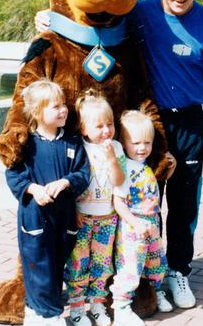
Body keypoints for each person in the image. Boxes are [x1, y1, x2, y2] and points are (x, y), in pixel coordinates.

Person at [34, 0, 203, 310]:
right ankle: (142, 273)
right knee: (144, 201)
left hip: (190, 121)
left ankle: (177, 271)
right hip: (148, 125)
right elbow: (96, 18)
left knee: (185, 201)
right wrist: (50, 19)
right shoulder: (140, 12)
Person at [5, 79, 90, 326]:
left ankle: (35, 310)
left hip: (63, 216)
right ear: (37, 112)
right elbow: (13, 174)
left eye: (64, 104)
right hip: (35, 216)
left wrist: (65, 182)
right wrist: (32, 189)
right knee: (39, 265)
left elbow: (83, 173)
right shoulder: (26, 143)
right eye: (55, 106)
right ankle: (50, 315)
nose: (63, 109)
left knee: (57, 263)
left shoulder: (72, 141)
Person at [67, 90, 126, 326]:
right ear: (83, 128)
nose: (106, 131)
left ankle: (97, 303)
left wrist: (112, 158)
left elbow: (119, 180)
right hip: (82, 217)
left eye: (109, 124)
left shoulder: (117, 148)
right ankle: (77, 305)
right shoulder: (77, 148)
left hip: (107, 217)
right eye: (99, 126)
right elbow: (69, 182)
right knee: (78, 263)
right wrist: (73, 211)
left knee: (102, 264)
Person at [110, 110, 175, 326]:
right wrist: (135, 223)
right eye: (136, 142)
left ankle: (156, 292)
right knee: (131, 266)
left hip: (152, 222)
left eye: (147, 142)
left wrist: (171, 168)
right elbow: (118, 202)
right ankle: (121, 306)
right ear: (123, 141)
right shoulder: (124, 168)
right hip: (132, 226)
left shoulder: (146, 165)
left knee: (156, 262)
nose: (142, 148)